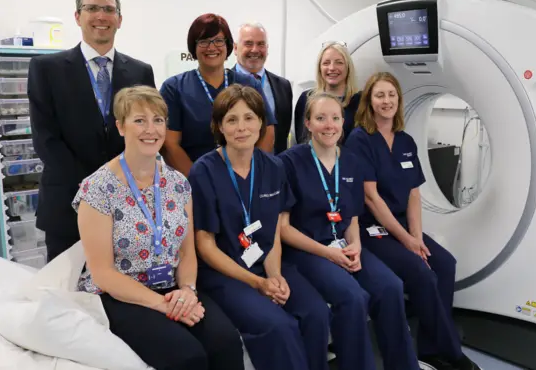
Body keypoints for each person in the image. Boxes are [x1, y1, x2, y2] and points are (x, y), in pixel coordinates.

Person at [72, 86, 244, 370]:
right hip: (121, 295)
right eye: (139, 120)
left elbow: (187, 254)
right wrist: (163, 304)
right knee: (186, 357)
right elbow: (103, 274)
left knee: (225, 342)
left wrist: (187, 291)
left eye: (158, 120)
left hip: (174, 287)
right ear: (120, 126)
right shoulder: (98, 189)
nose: (150, 129)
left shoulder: (178, 184)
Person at [189, 85, 331, 370]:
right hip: (223, 273)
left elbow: (274, 232)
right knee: (278, 326)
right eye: (231, 120)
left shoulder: (273, 167)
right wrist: (258, 283)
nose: (241, 127)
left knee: (316, 313)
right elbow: (205, 246)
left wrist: (275, 276)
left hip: (266, 264)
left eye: (249, 118)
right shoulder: (203, 171)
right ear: (219, 126)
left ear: (261, 123)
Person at [345, 72, 481, 370]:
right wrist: (407, 241)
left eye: (391, 95)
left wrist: (416, 236)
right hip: (371, 228)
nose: (386, 101)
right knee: (422, 273)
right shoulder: (360, 140)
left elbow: (414, 195)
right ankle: (453, 353)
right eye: (379, 95)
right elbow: (371, 198)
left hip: (402, 227)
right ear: (369, 101)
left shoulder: (406, 141)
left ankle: (430, 350)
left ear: (399, 100)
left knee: (445, 264)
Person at [279, 92, 420, 370]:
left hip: (344, 244)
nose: (328, 125)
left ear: (343, 121)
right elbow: (283, 228)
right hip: (308, 249)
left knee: (392, 287)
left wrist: (354, 245)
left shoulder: (352, 162)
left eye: (334, 118)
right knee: (353, 297)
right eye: (320, 118)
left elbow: (352, 217)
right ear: (307, 123)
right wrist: (329, 254)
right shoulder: (289, 162)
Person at [28, 0, 156, 262]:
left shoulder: (140, 71)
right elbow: (45, 138)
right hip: (67, 205)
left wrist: (124, 187)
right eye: (92, 8)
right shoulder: (46, 69)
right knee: (66, 294)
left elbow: (147, 135)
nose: (101, 16)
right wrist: (95, 189)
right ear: (78, 16)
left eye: (109, 9)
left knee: (121, 292)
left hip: (128, 204)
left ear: (119, 20)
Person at [160, 14, 276, 176]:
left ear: (228, 45)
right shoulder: (174, 88)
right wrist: (199, 182)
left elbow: (267, 132)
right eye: (203, 41)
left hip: (245, 178)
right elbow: (169, 144)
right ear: (193, 46)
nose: (211, 47)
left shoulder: (249, 84)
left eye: (218, 41)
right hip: (194, 183)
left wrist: (250, 176)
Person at [232, 22, 292, 155]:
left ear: (267, 48)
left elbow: (282, 135)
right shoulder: (224, 84)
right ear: (235, 48)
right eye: (248, 43)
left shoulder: (283, 86)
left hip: (275, 168)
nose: (255, 50)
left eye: (261, 44)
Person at [293, 41, 360, 144]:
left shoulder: (360, 100)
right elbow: (301, 139)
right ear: (320, 68)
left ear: (348, 67)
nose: (332, 68)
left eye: (339, 62)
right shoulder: (306, 98)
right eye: (326, 63)